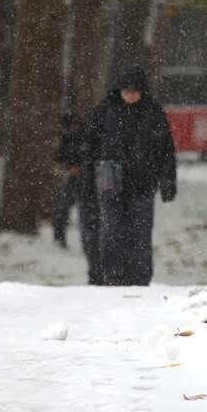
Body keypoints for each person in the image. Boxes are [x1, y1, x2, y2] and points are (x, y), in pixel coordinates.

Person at [81, 66, 177, 286]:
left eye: (134, 91)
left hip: (142, 182)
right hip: (109, 181)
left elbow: (165, 150)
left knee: (140, 232)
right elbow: (90, 148)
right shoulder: (104, 111)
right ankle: (112, 274)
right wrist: (87, 180)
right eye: (126, 91)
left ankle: (140, 277)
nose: (130, 95)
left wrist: (168, 180)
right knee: (111, 230)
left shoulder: (153, 113)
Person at [51, 113, 83, 248]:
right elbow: (58, 157)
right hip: (69, 176)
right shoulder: (65, 138)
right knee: (62, 208)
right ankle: (59, 237)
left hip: (80, 177)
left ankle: (59, 236)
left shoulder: (80, 138)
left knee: (64, 208)